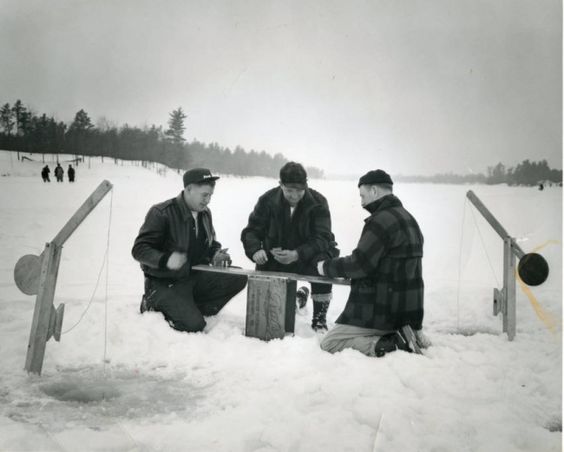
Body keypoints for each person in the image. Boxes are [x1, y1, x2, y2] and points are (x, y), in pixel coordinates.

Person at [318, 169, 428, 357]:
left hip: (380, 312)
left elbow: (359, 264)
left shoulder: (380, 221)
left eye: (363, 196)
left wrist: (325, 267)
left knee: (329, 343)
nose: (361, 202)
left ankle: (393, 344)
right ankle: (406, 334)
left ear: (374, 191)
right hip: (408, 312)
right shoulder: (410, 219)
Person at [132, 168, 247, 333]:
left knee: (238, 277)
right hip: (164, 283)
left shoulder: (205, 214)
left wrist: (215, 254)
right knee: (194, 325)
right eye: (204, 195)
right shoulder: (161, 213)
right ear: (189, 189)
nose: (208, 201)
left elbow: (210, 243)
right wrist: (166, 260)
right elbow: (139, 249)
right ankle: (151, 303)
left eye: (210, 196)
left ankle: (192, 307)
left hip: (192, 278)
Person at [241, 162, 339, 331]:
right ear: (281, 185)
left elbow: (323, 238)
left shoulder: (318, 202)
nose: (294, 196)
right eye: (289, 191)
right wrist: (256, 249)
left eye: (299, 191)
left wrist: (297, 254)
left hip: (308, 257)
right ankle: (298, 298)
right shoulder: (267, 200)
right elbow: (251, 231)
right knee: (273, 311)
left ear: (306, 186)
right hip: (276, 258)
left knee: (323, 263)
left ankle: (319, 319)